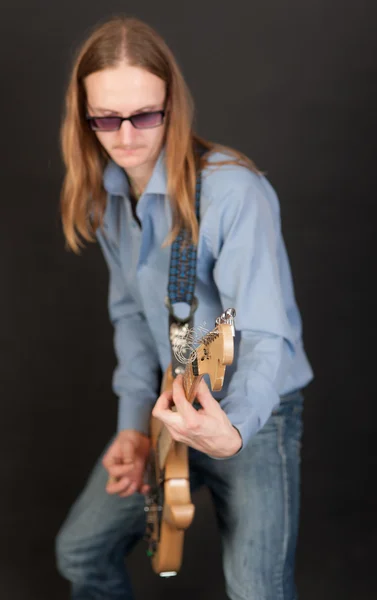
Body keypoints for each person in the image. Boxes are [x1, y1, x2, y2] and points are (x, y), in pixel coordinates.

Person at [55, 15, 313, 600]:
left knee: (257, 590)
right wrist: (132, 429)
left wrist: (234, 430)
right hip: (170, 406)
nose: (126, 137)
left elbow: (268, 335)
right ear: (84, 116)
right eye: (106, 119)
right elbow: (130, 317)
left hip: (254, 413)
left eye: (145, 114)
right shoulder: (107, 197)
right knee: (79, 551)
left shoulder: (233, 192)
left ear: (173, 105)